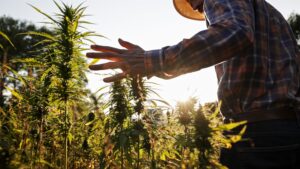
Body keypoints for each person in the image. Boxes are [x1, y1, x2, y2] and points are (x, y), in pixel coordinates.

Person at [87, 0, 300, 168]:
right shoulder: (272, 18)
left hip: (256, 136)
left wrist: (151, 60)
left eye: (192, 0)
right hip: (286, 131)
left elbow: (235, 32)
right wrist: (152, 66)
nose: (197, 7)